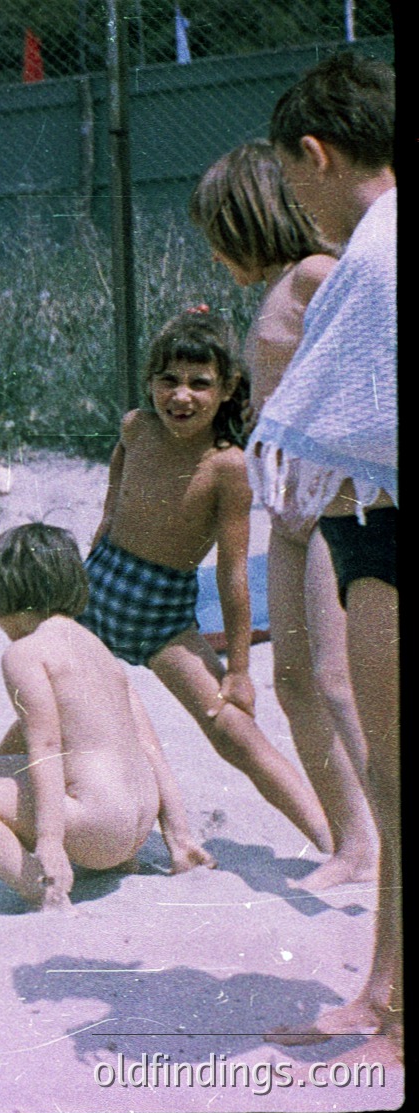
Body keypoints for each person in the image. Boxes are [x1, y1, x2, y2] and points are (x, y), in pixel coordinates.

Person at [254, 52, 397, 1063]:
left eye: (296, 181)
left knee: (396, 778)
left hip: (384, 527)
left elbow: (322, 422)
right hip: (375, 521)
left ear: (318, 152)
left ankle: (390, 1007)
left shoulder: (375, 257)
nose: (300, 205)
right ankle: (385, 986)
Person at [189, 142, 376, 892]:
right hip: (287, 503)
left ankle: (393, 834)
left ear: (246, 220)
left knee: (336, 678)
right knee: (293, 679)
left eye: (216, 233)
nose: (212, 251)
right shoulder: (279, 289)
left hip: (335, 497)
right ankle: (354, 843)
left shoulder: (316, 276)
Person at [81, 308, 330, 852]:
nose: (181, 396)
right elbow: (109, 508)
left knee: (231, 730)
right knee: (47, 702)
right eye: (168, 380)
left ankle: (330, 837)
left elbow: (234, 574)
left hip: (164, 617)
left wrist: (240, 670)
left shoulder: (228, 467)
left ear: (226, 391)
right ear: (149, 382)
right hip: (95, 598)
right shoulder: (135, 427)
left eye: (200, 383)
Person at [0, 524, 215, 911]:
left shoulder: (26, 653)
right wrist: (178, 836)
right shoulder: (100, 651)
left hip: (98, 826)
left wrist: (50, 840)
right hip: (138, 827)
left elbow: (46, 745)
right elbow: (148, 746)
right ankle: (118, 858)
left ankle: (43, 887)